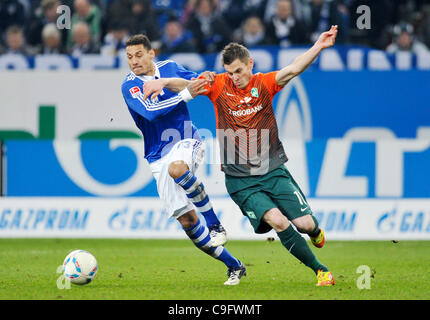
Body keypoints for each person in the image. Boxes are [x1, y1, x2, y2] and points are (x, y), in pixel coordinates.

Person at [144, 26, 339, 287]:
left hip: (273, 170)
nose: (234, 77)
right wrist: (163, 82)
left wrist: (319, 46)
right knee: (278, 221)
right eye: (230, 72)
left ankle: (315, 231)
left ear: (250, 64)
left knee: (304, 224)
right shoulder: (219, 85)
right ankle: (321, 271)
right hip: (240, 180)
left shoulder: (265, 83)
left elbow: (293, 68)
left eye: (238, 71)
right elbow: (190, 85)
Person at [120, 34, 246, 285]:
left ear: (151, 53)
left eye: (138, 55)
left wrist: (203, 78)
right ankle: (235, 265)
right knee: (187, 221)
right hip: (156, 154)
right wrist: (186, 93)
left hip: (185, 138)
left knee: (177, 169)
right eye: (129, 57)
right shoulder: (130, 85)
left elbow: (196, 82)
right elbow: (151, 112)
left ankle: (215, 224)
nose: (134, 61)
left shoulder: (169, 68)